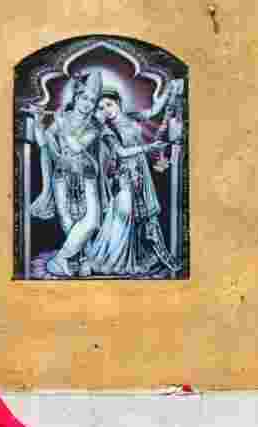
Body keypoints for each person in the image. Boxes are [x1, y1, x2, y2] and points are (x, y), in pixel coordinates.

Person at [82, 83, 182, 277]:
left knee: (142, 217)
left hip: (140, 171)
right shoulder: (107, 131)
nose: (106, 110)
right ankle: (115, 261)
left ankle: (143, 256)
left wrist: (169, 91)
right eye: (101, 108)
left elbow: (154, 110)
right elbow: (121, 153)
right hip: (124, 176)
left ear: (118, 102)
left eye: (109, 104)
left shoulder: (132, 116)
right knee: (124, 217)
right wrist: (149, 148)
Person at [30, 70, 105, 277]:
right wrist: (37, 121)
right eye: (84, 98)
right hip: (62, 173)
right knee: (67, 221)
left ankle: (61, 258)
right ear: (77, 97)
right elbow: (44, 142)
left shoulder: (95, 124)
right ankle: (81, 260)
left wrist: (62, 126)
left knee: (91, 221)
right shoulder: (63, 117)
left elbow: (78, 147)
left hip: (86, 173)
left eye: (92, 100)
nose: (87, 104)